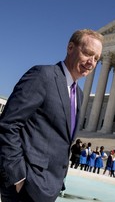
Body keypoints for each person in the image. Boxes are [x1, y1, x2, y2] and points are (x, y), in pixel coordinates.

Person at [0, 29, 103, 202]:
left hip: (49, 187)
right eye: (87, 53)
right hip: (25, 187)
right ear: (70, 48)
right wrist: (17, 176)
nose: (91, 62)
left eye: (96, 59)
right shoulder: (43, 76)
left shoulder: (78, 94)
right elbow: (8, 125)